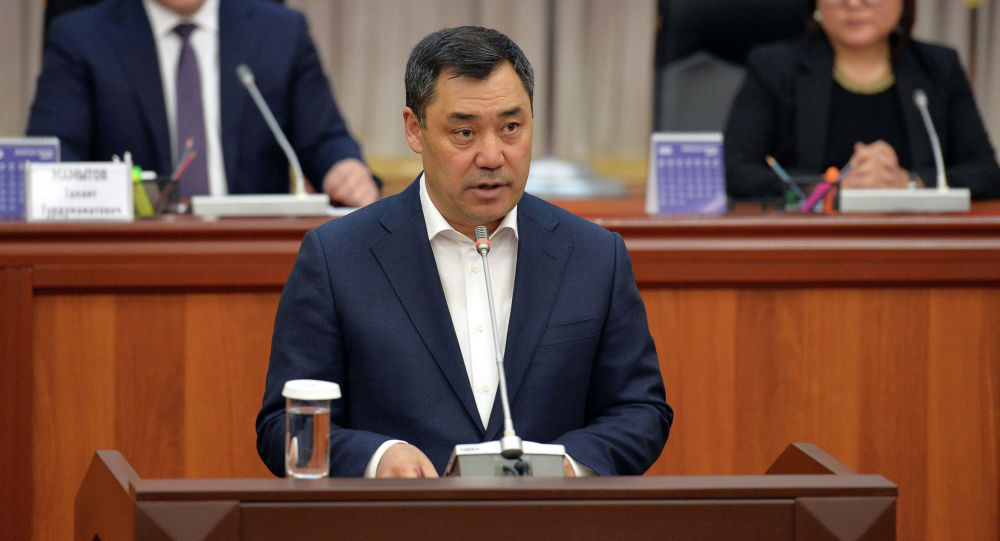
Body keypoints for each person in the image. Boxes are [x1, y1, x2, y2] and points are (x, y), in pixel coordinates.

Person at [256, 26, 672, 478]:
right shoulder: (337, 258)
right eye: (464, 132)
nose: (491, 155)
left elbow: (641, 411)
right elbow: (283, 427)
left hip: (548, 513)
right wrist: (377, 458)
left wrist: (567, 467)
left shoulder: (594, 255)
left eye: (511, 128)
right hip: (402, 514)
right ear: (415, 130)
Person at [26, 0, 379, 207]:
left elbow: (323, 140)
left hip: (253, 252)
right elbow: (53, 158)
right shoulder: (81, 37)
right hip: (129, 255)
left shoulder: (282, 32)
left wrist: (343, 168)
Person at [723, 0, 1000, 200]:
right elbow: (734, 171)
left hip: (915, 240)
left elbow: (986, 173)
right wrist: (827, 189)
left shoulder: (939, 67)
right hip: (809, 241)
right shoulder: (773, 68)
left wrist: (909, 182)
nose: (854, 4)